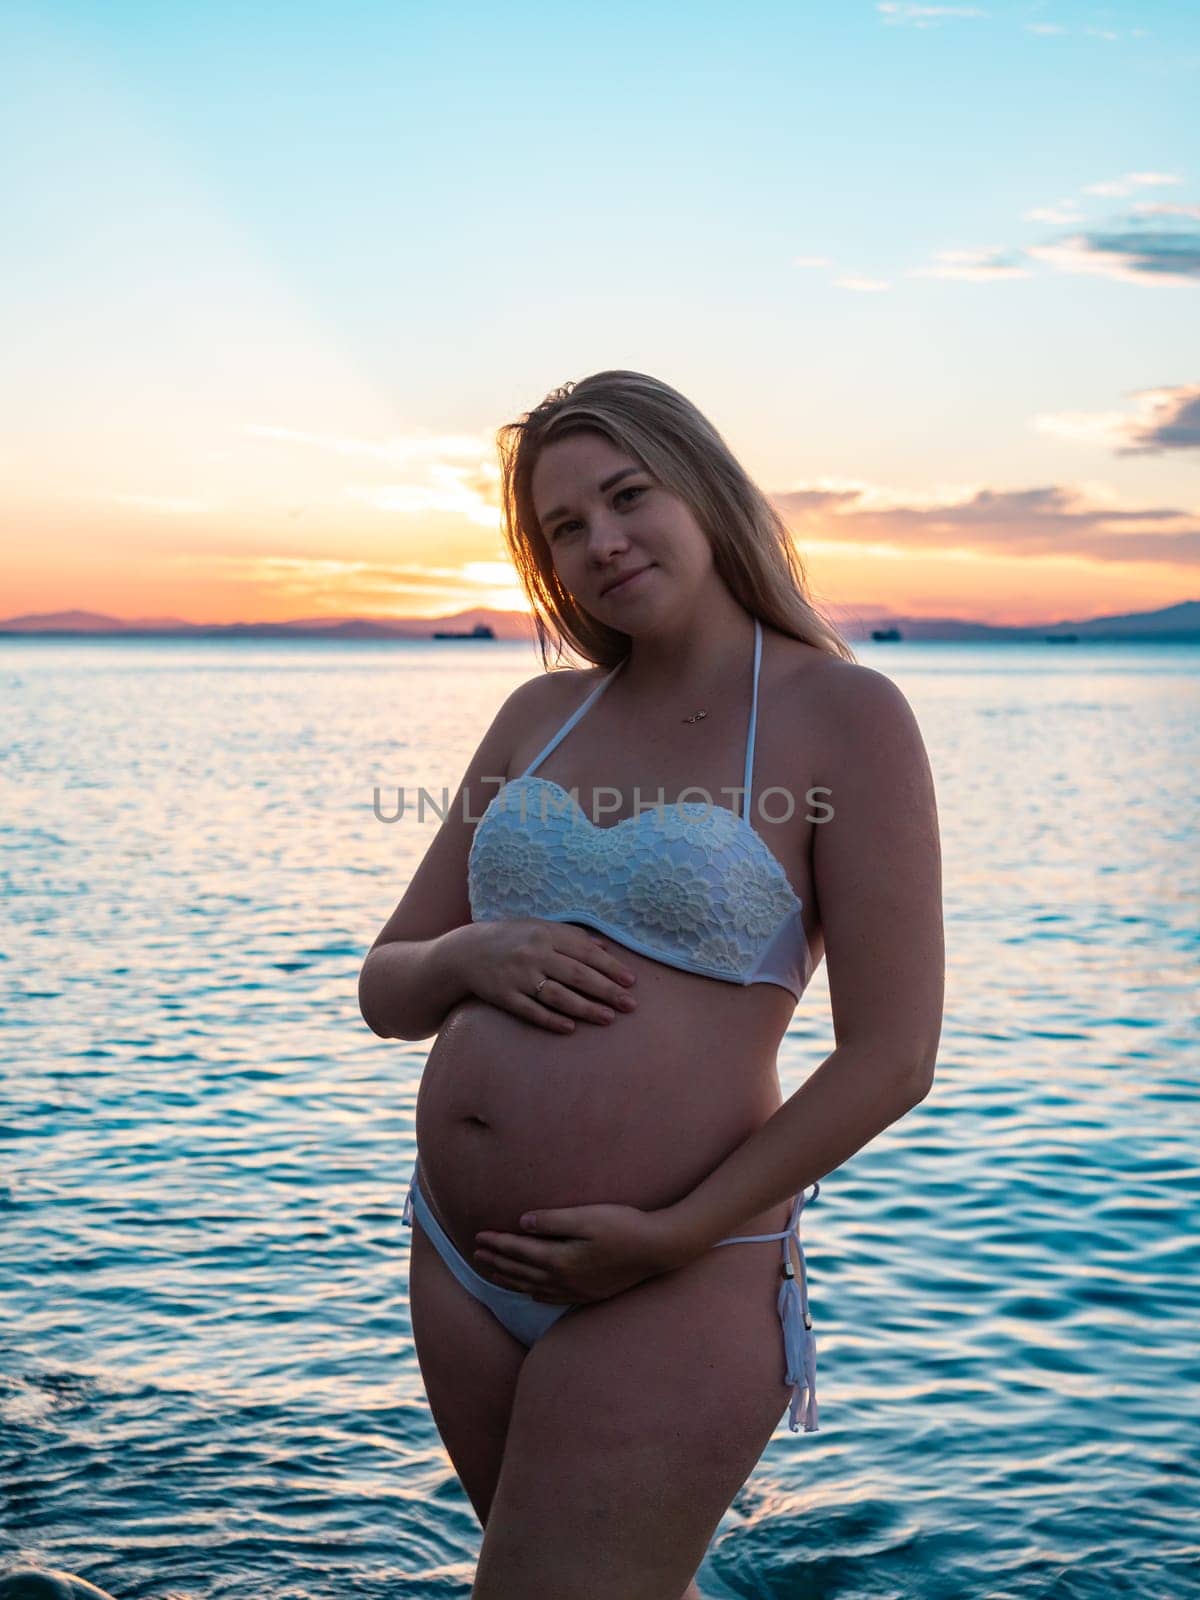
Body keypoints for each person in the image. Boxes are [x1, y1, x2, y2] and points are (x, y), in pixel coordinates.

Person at [358, 370, 944, 1600]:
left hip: (682, 1264)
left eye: (628, 495)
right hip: (463, 1258)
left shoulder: (844, 714)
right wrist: (473, 953)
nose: (602, 542)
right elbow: (387, 985)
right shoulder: (538, 715)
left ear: (708, 492)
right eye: (563, 528)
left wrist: (669, 1234)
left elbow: (893, 1056)